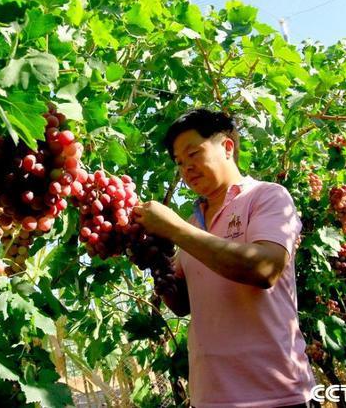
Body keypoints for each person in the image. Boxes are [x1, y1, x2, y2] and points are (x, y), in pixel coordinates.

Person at [132, 109, 316, 408]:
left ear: (227, 147)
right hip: (210, 397)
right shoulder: (192, 224)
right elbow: (181, 304)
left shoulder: (267, 197)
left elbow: (264, 268)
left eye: (193, 154)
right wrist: (153, 258)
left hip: (276, 393)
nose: (186, 168)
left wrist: (173, 228)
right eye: (179, 163)